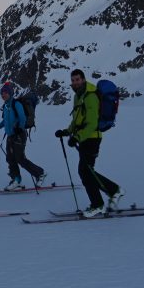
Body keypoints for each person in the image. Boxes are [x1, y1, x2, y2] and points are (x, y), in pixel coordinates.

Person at [55, 69, 124, 217]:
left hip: (92, 138)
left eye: (78, 80)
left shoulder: (91, 96)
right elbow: (77, 119)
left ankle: (99, 203)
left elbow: (92, 123)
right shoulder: (78, 96)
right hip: (84, 138)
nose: (75, 82)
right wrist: (66, 132)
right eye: (73, 80)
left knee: (86, 171)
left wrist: (77, 137)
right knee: (87, 171)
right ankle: (113, 191)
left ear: (83, 79)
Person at [0, 82, 47, 190]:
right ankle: (16, 179)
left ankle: (40, 173)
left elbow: (22, 117)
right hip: (10, 136)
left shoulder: (16, 104)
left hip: (19, 135)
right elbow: (4, 122)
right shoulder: (6, 107)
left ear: (10, 93)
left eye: (5, 92)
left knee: (20, 158)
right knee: (10, 158)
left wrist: (20, 128)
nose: (3, 95)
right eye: (2, 93)